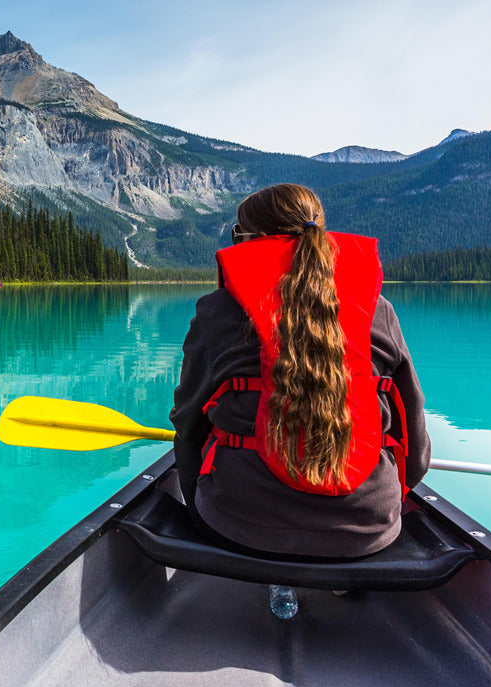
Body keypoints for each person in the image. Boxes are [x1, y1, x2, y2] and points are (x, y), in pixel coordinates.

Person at [170, 183, 430, 559]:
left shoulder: (216, 312)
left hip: (239, 525)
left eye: (236, 236)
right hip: (368, 531)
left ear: (253, 241)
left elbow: (188, 427)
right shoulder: (379, 312)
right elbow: (416, 448)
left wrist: (200, 504)